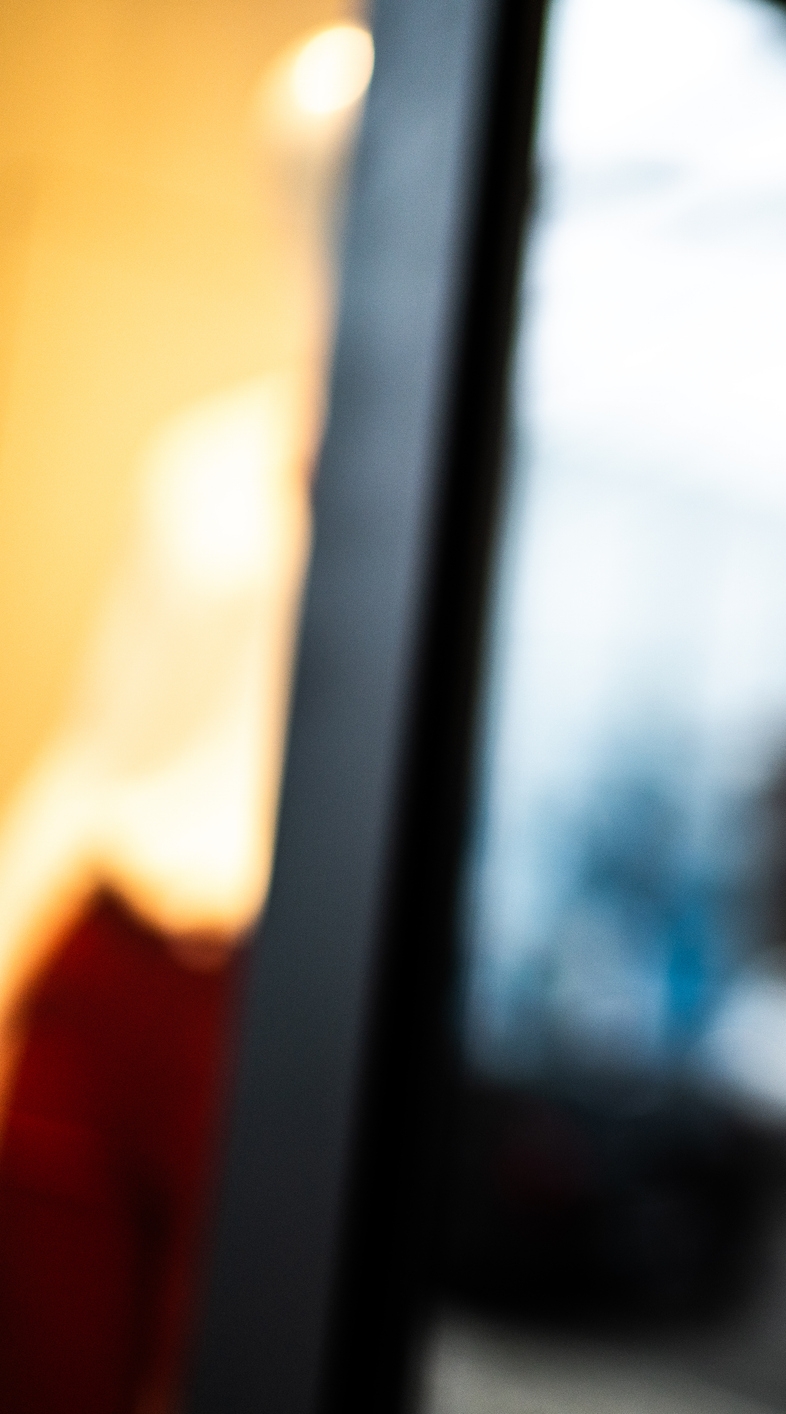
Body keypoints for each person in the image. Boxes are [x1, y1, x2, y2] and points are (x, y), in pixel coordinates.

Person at [0, 24, 368, 1413]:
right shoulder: (207, 460)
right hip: (116, 957)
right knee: (43, 1357)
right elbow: (103, 738)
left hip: (278, 1002)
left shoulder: (450, 506)